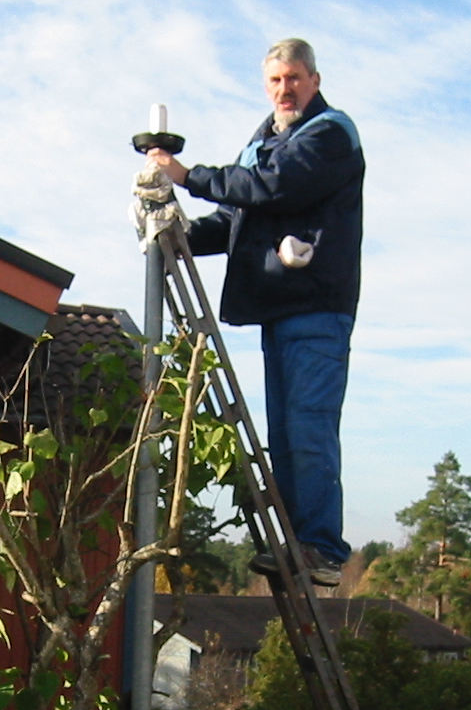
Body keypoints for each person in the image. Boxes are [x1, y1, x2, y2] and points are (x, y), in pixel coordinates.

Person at [147, 38, 363, 586]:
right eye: (275, 80)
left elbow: (273, 187)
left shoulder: (330, 134)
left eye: (294, 78)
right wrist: (178, 233)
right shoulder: (263, 142)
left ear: (314, 81)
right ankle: (296, 541)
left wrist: (187, 175)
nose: (284, 89)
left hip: (317, 307)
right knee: (286, 433)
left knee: (310, 426)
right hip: (279, 307)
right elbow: (236, 216)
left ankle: (321, 548)